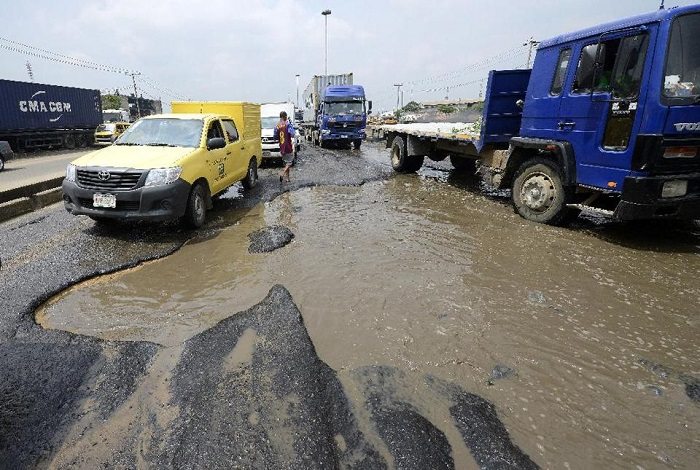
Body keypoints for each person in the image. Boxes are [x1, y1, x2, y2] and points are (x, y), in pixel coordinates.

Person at [274, 111, 295, 182]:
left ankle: (287, 178)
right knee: (290, 162)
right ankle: (282, 173)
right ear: (285, 116)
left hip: (281, 147)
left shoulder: (277, 125)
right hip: (288, 146)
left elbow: (275, 136)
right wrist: (291, 125)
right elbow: (292, 134)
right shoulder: (288, 124)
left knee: (286, 162)